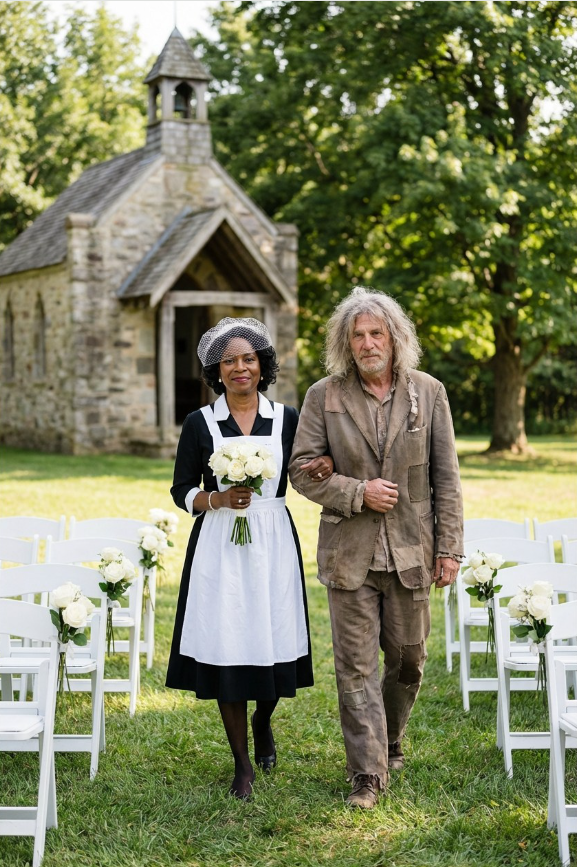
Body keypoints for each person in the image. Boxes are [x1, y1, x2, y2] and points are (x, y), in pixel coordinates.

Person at [289, 286, 463, 809]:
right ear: (346, 343)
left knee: (409, 661)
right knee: (356, 667)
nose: (367, 343)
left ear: (394, 337)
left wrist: (449, 548)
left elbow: (446, 477)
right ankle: (367, 773)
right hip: (350, 554)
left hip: (412, 549)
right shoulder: (324, 395)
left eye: (376, 333)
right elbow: (301, 470)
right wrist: (356, 491)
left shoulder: (429, 392)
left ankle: (389, 739)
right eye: (358, 335)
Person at [166, 317, 332, 800]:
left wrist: (323, 465)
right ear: (216, 371)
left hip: (273, 540)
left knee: (273, 636)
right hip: (219, 543)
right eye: (229, 361)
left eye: (249, 359)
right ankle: (241, 763)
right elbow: (181, 489)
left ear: (263, 365)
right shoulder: (200, 423)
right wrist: (215, 500)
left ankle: (264, 719)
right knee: (228, 644)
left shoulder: (287, 419)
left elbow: (307, 468)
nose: (240, 367)